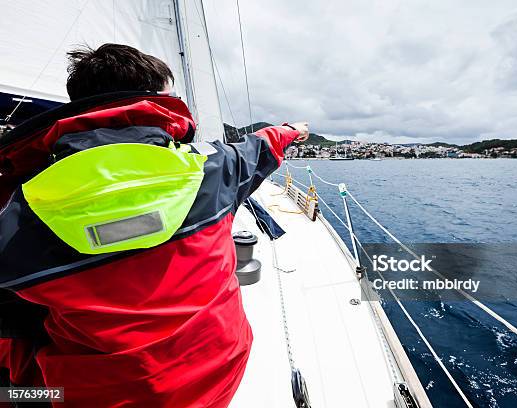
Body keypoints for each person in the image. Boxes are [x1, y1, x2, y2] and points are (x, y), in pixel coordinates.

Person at [0, 43, 308, 407]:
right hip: (219, 376)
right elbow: (261, 145)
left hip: (88, 397)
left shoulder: (19, 214)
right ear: (157, 99)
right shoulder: (214, 169)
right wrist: (293, 129)